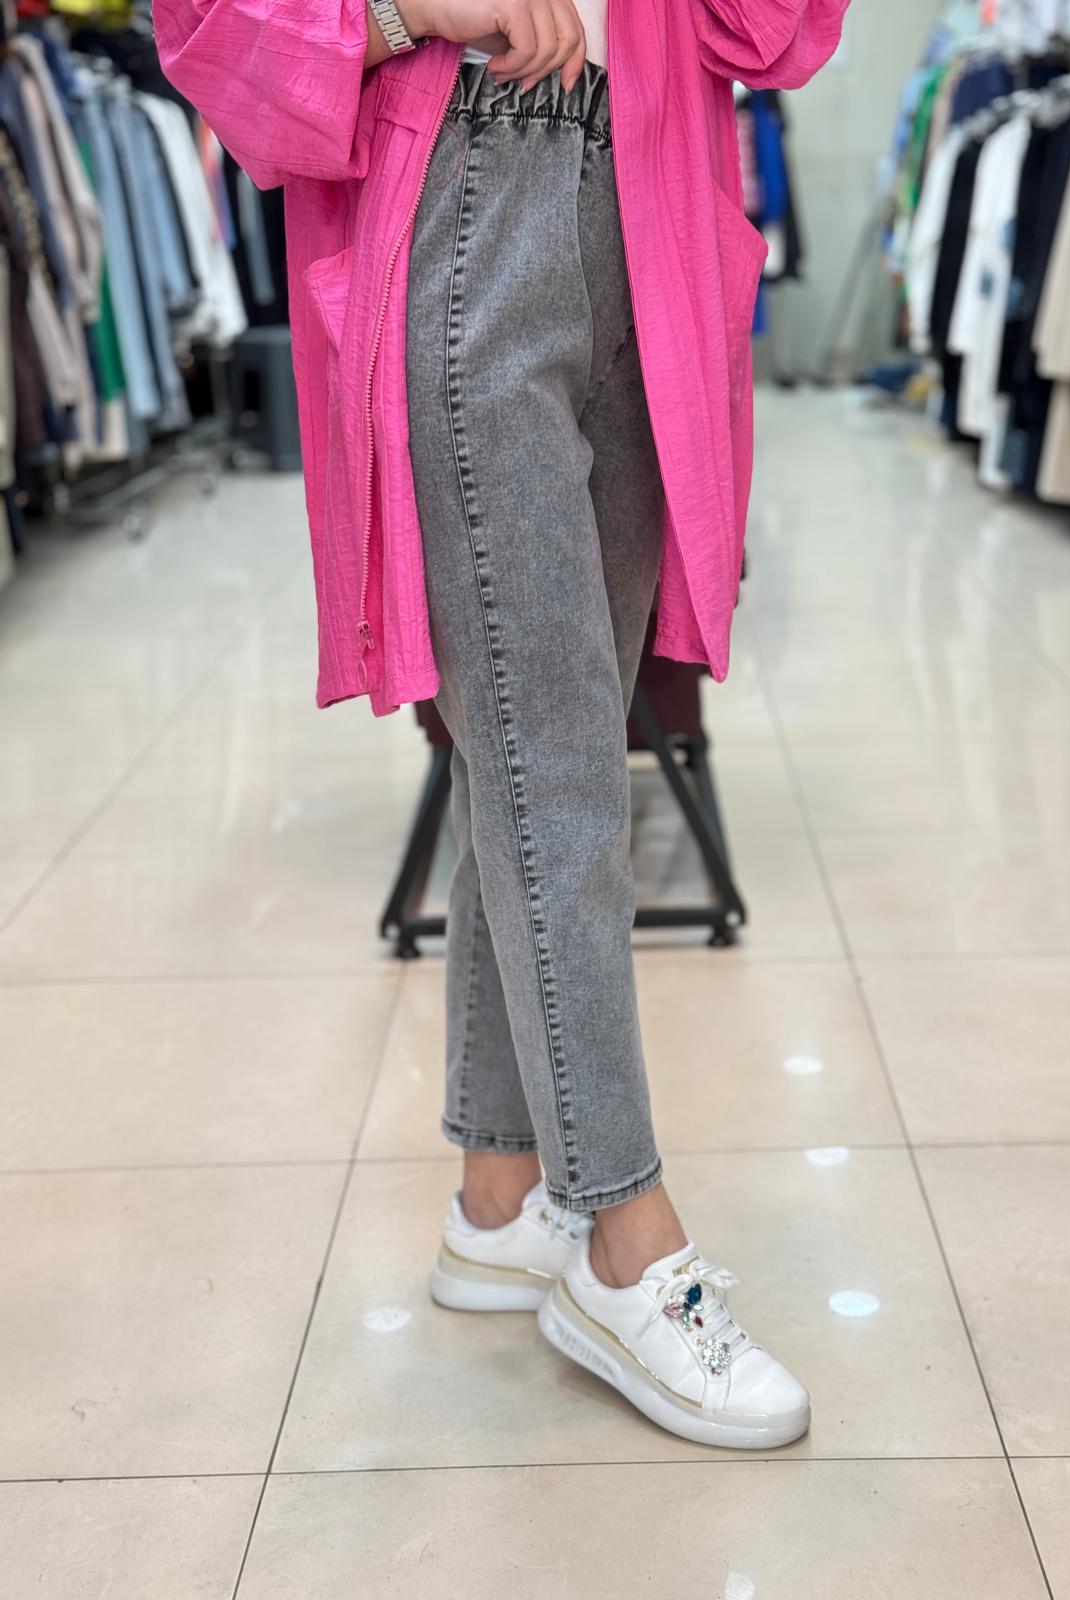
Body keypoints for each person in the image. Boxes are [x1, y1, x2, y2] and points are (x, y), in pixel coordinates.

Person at [155, 0, 849, 1450]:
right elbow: (207, 25)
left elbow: (776, 33)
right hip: (468, 193)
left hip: (652, 200)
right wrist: (410, 6)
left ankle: (498, 1197)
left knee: (529, 749)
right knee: (563, 775)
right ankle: (622, 1244)